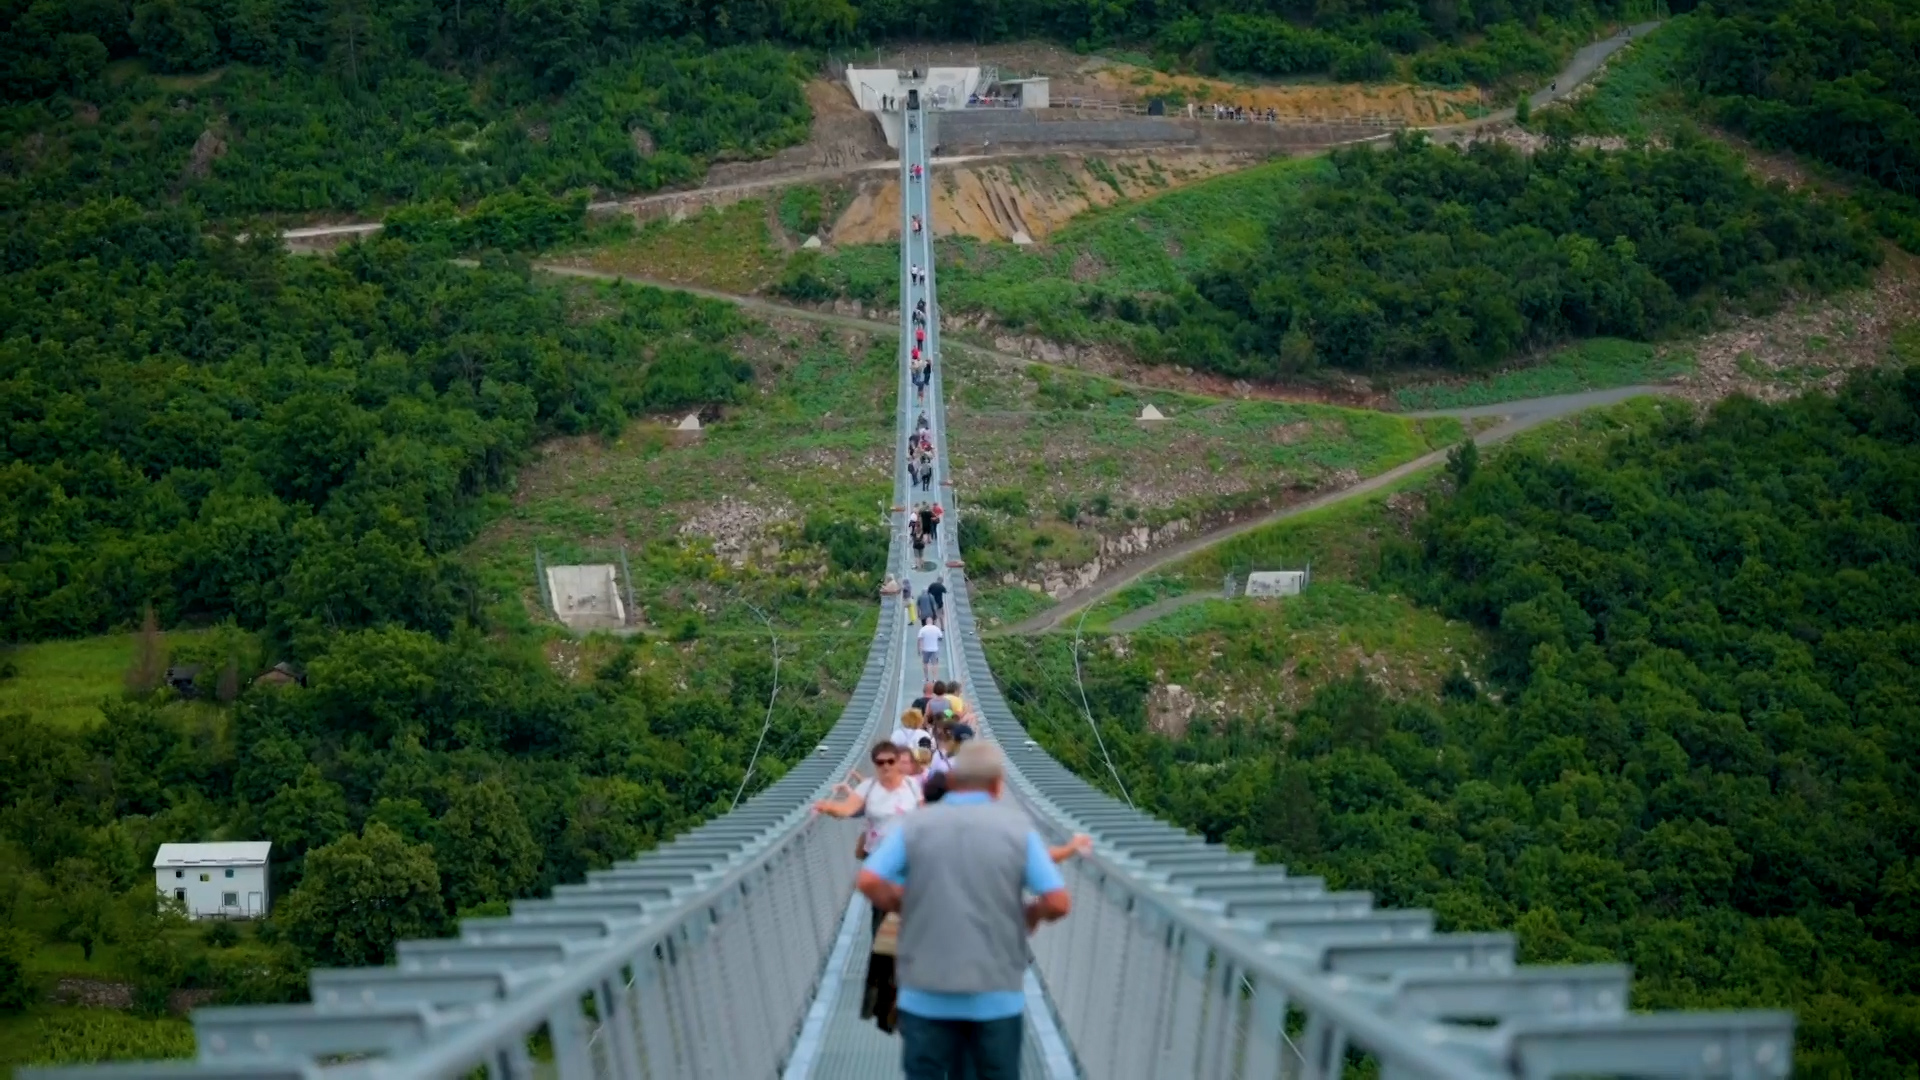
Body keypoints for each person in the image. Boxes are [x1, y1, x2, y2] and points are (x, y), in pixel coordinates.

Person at [858, 742, 1073, 1079]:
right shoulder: (1017, 829)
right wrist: (1030, 915)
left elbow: (869, 880)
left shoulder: (915, 826)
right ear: (998, 784)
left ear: (954, 781)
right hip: (996, 996)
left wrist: (902, 903)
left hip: (924, 994)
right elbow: (1058, 902)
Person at [818, 740, 925, 1034]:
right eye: (881, 763)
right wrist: (828, 806)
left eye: (892, 761)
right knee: (883, 937)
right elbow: (847, 809)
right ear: (875, 764)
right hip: (881, 872)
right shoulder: (869, 790)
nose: (887, 767)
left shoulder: (914, 788)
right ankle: (886, 1005)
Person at [917, 617, 943, 681]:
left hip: (925, 649)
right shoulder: (936, 629)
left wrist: (919, 649)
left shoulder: (923, 629)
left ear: (926, 622)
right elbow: (940, 637)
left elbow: (919, 639)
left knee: (925, 663)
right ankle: (934, 678)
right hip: (934, 649)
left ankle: (926, 677)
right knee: (934, 664)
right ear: (932, 621)